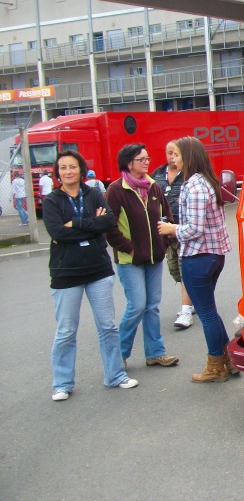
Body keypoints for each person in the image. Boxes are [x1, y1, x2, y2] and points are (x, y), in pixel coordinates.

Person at [44, 149, 137, 401]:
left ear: (81, 170)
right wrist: (90, 225)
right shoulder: (52, 201)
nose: (68, 172)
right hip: (66, 274)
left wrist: (75, 223)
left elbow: (108, 222)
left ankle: (115, 375)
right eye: (63, 168)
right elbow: (57, 233)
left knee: (107, 326)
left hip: (98, 270)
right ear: (58, 173)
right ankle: (62, 384)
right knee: (66, 330)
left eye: (72, 167)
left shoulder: (94, 193)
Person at [157, 136, 235, 383]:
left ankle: (215, 366)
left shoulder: (194, 185)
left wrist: (171, 229)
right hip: (211, 255)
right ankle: (228, 360)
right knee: (209, 311)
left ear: (189, 157)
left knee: (207, 313)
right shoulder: (205, 181)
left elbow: (194, 228)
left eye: (177, 155)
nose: (173, 159)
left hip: (199, 256)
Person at [106, 144, 178, 370]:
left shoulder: (154, 187)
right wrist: (129, 248)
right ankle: (119, 355)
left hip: (154, 257)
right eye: (142, 159)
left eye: (148, 158)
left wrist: (163, 243)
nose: (147, 162)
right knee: (137, 305)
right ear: (129, 163)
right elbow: (109, 227)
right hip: (130, 260)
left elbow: (167, 216)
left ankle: (156, 353)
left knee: (152, 306)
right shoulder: (117, 190)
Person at [151, 141, 194, 329]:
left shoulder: (189, 175)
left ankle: (186, 309)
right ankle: (194, 297)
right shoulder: (158, 174)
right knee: (175, 270)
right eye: (169, 153)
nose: (171, 157)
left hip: (183, 228)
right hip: (165, 230)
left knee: (186, 270)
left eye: (175, 153)